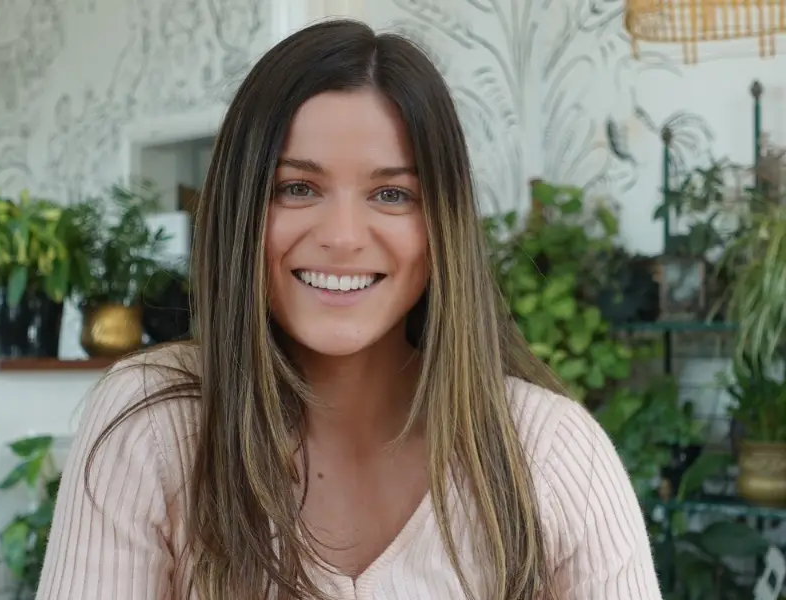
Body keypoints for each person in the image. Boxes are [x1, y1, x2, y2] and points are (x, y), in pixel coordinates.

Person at [37, 19, 662, 600]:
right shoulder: (151, 425)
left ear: (441, 226)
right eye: (296, 188)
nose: (342, 237)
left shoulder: (552, 452)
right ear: (240, 209)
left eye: (392, 194)